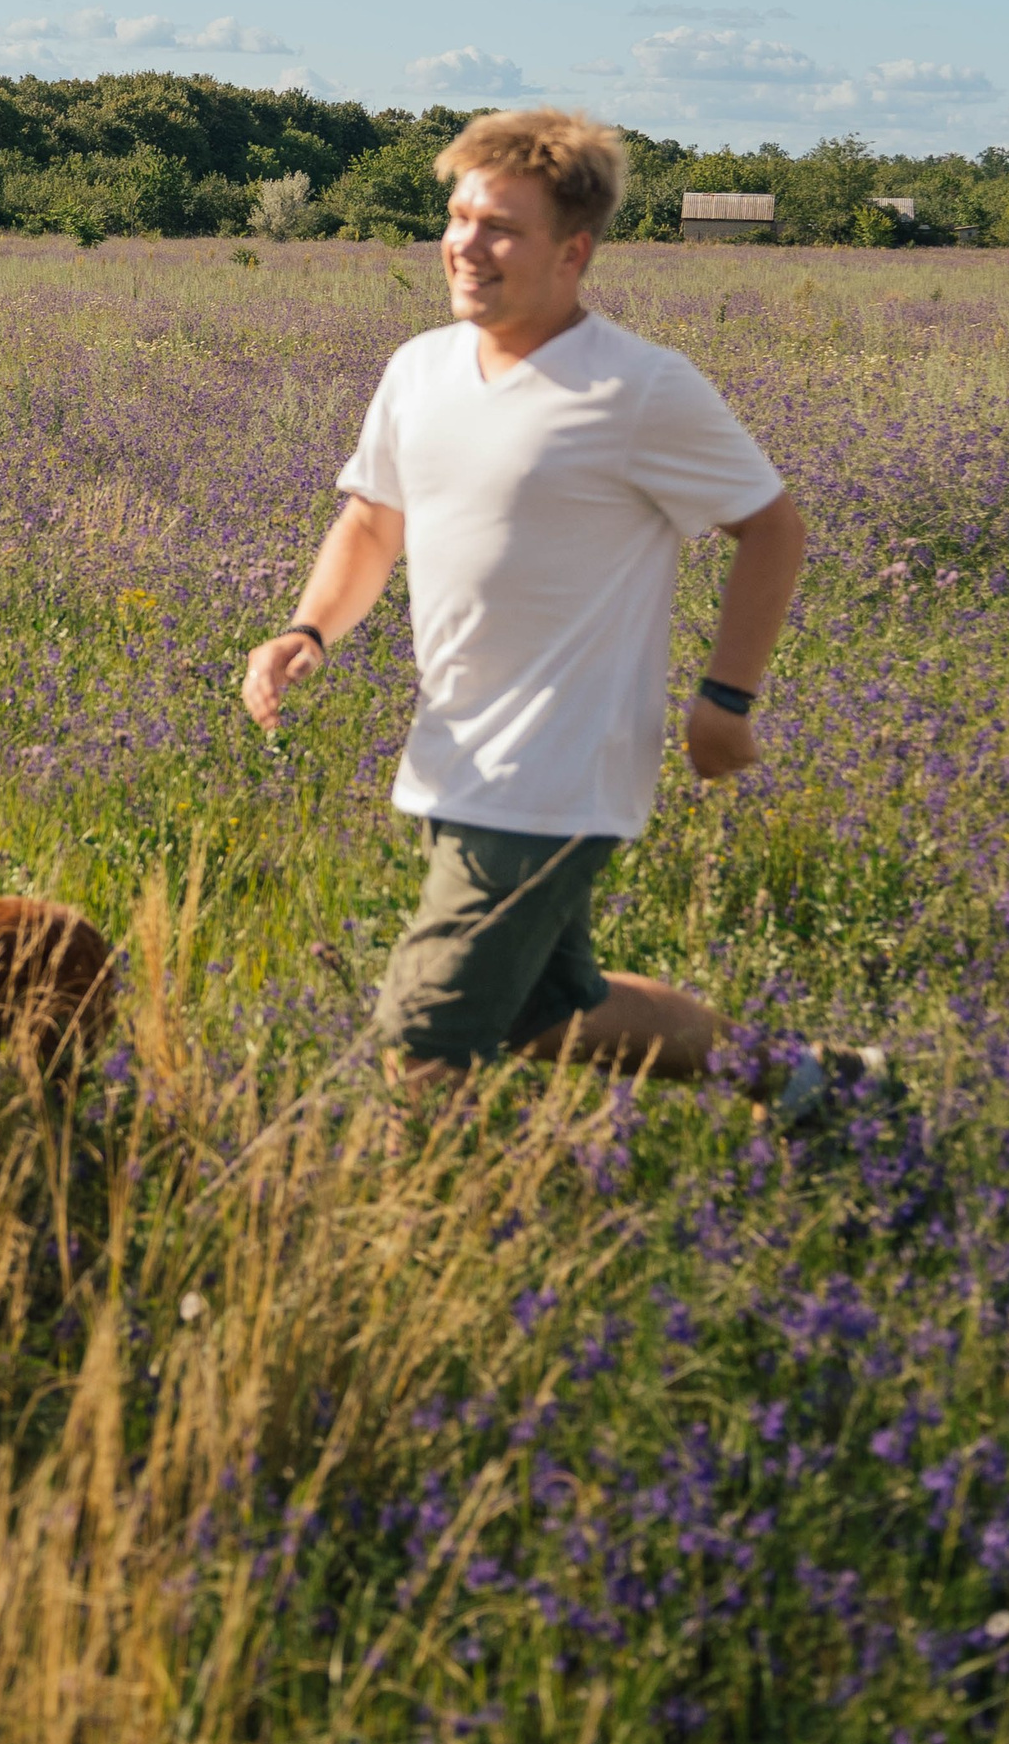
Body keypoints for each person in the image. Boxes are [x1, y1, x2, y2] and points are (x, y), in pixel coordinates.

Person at [243, 107, 855, 1107]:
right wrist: (307, 626)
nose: (464, 245)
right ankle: (811, 1082)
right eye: (457, 216)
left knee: (428, 1028)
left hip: (555, 769)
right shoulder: (419, 369)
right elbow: (371, 520)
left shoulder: (638, 386)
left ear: (573, 251)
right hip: (452, 752)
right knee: (544, 1009)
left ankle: (410, 1246)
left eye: (500, 227)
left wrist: (724, 699)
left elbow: (772, 527)